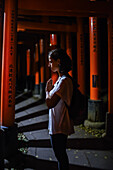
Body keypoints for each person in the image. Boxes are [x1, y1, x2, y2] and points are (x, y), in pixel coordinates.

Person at [45, 48, 74, 170]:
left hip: (60, 125)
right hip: (56, 125)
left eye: (51, 61)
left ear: (59, 61)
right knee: (60, 156)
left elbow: (50, 103)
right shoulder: (59, 81)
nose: (49, 64)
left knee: (60, 156)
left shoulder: (64, 81)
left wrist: (47, 91)